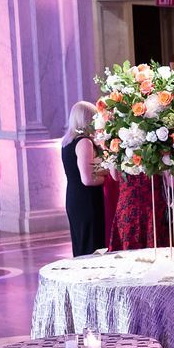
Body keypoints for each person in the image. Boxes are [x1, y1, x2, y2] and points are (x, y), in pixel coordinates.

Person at [61, 101, 106, 256]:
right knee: (92, 246)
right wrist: (111, 181)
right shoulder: (84, 142)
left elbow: (85, 169)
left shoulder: (67, 141)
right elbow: (87, 179)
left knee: (82, 244)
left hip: (74, 197)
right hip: (87, 200)